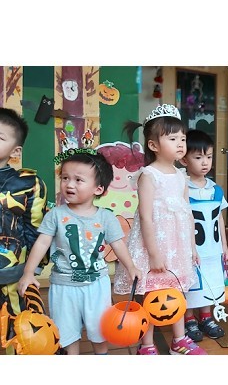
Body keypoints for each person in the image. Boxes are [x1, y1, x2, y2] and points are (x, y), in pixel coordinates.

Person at [17, 149, 142, 355]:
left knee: (99, 331)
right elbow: (42, 243)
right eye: (65, 178)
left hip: (97, 285)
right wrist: (29, 272)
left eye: (78, 180)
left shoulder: (106, 217)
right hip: (63, 285)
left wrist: (131, 267)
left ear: (98, 189)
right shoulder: (55, 215)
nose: (69, 184)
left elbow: (118, 245)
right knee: (66, 334)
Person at [113, 104, 206, 355]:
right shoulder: (149, 175)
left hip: (177, 246)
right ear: (154, 145)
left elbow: (187, 214)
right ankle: (147, 345)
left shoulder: (181, 176)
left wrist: (192, 248)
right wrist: (154, 253)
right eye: (173, 139)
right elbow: (145, 216)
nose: (180, 143)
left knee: (176, 291)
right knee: (152, 294)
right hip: (153, 246)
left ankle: (179, 340)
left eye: (182, 138)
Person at [0, 108, 48, 355]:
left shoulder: (30, 183)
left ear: (15, 151)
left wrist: (34, 269)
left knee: (18, 331)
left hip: (11, 273)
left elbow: (36, 228)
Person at [179, 129, 228, 341]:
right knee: (192, 282)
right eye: (198, 157)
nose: (205, 162)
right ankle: (189, 318)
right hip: (191, 247)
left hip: (213, 247)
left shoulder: (215, 189)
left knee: (211, 279)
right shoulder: (182, 188)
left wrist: (224, 245)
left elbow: (219, 218)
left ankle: (206, 316)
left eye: (208, 156)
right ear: (184, 160)